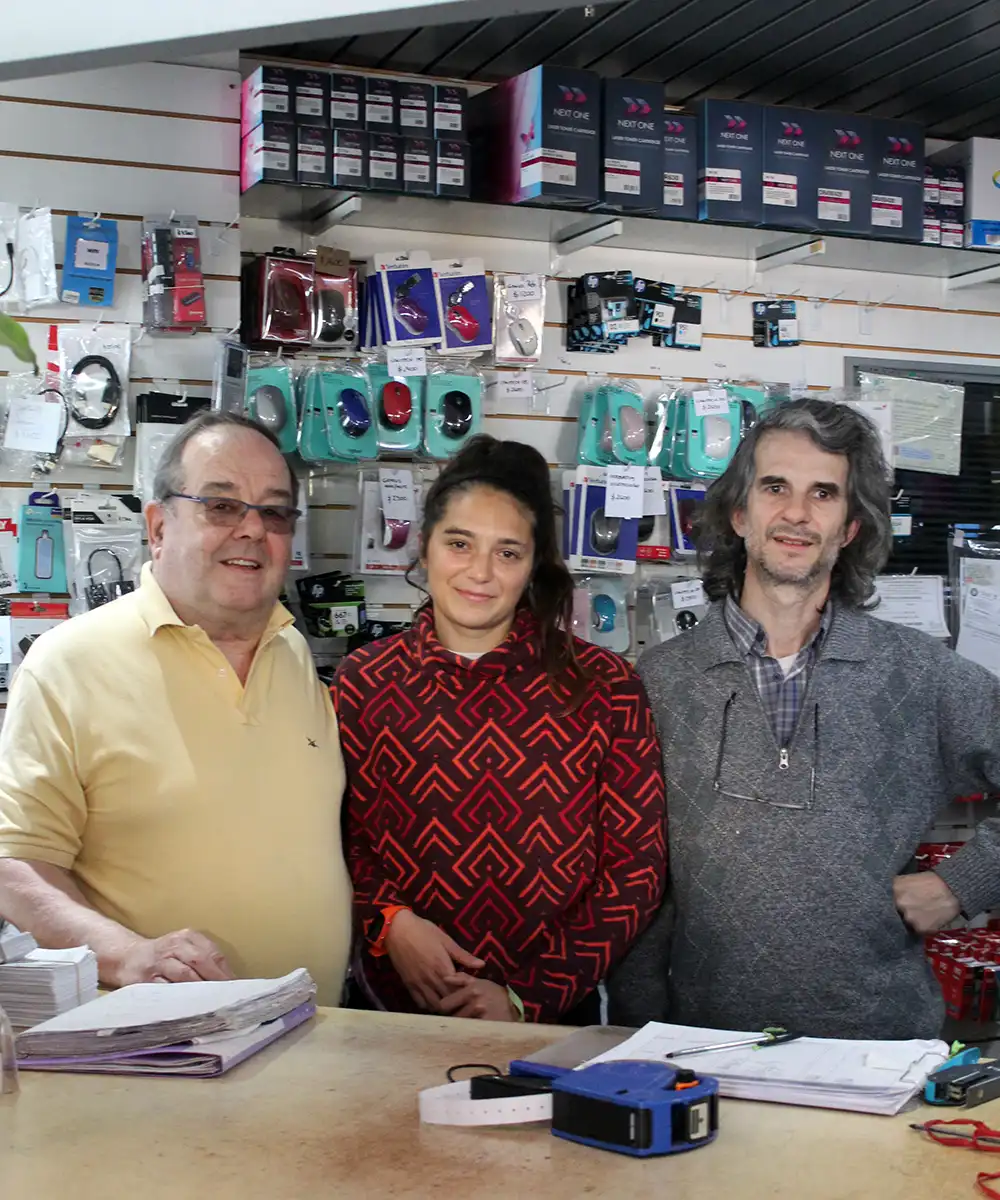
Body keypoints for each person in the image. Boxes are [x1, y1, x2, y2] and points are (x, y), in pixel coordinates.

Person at [610, 397, 1000, 1041]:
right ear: (739, 513)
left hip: (879, 1050)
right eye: (775, 488)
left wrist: (962, 883)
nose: (796, 514)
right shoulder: (660, 681)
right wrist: (639, 1035)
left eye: (824, 493)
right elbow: (641, 885)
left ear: (850, 526)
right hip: (704, 1052)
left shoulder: (918, 675)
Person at [0, 412, 352, 1004]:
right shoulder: (69, 663)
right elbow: (16, 867)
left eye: (273, 511)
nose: (251, 529)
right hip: (158, 1059)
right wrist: (129, 955)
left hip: (316, 1045)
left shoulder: (292, 651)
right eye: (220, 506)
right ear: (159, 527)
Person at [333, 435, 666, 1023]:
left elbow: (634, 867)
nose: (480, 573)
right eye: (459, 544)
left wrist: (526, 996)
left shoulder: (607, 688)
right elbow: (341, 839)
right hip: (391, 1009)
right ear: (425, 547)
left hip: (551, 1017)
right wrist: (388, 920)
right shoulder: (364, 682)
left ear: (534, 564)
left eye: (508, 553)